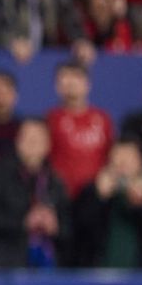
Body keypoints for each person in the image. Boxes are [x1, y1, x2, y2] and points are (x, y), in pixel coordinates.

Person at [0, 118, 71, 268]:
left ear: (48, 145)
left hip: (47, 266)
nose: (33, 144)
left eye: (38, 139)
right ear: (17, 142)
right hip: (5, 265)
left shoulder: (54, 181)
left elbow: (68, 225)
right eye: (28, 138)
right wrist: (23, 222)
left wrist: (55, 225)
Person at [71, 140, 142, 268]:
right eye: (118, 156)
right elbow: (77, 228)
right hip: (98, 276)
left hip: (140, 277)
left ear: (140, 162)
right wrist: (99, 198)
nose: (123, 162)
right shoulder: (91, 190)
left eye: (129, 157)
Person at [47, 61, 115, 200]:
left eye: (76, 77)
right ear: (57, 86)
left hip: (96, 197)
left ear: (88, 84)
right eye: (65, 77)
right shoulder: (50, 119)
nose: (71, 82)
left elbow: (112, 156)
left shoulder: (103, 118)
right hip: (62, 197)